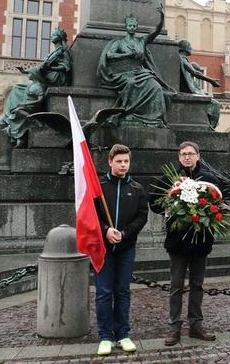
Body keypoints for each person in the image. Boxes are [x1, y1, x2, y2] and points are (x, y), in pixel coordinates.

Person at [149, 142, 221, 346]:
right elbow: (153, 202)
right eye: (183, 154)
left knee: (197, 285)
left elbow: (218, 202)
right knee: (176, 285)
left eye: (191, 154)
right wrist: (169, 202)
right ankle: (174, 327)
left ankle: (196, 326)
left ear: (198, 156)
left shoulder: (209, 179)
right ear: (179, 157)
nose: (187, 157)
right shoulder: (169, 179)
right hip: (177, 241)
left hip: (201, 240)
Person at [93, 144, 149, 356]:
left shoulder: (136, 189)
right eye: (119, 161)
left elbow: (142, 216)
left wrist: (125, 234)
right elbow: (90, 215)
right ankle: (105, 336)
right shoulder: (98, 187)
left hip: (126, 247)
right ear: (110, 162)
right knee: (104, 293)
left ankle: (123, 334)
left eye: (126, 161)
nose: (123, 165)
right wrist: (106, 230)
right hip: (103, 248)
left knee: (123, 292)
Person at [97, 5, 176, 128]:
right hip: (122, 73)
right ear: (126, 27)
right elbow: (110, 55)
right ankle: (127, 112)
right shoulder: (119, 42)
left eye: (134, 26)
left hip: (140, 72)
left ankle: (155, 119)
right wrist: (128, 55)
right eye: (130, 25)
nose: (132, 28)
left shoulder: (141, 41)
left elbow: (156, 31)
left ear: (137, 27)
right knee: (131, 83)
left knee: (156, 87)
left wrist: (162, 17)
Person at [0, 28, 72, 147]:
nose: (51, 36)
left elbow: (66, 67)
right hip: (48, 76)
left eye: (54, 34)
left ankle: (10, 119)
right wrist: (25, 71)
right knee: (17, 88)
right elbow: (39, 70)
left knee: (18, 89)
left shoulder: (64, 50)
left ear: (60, 37)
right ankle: (7, 118)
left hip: (56, 78)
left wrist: (50, 68)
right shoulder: (55, 51)